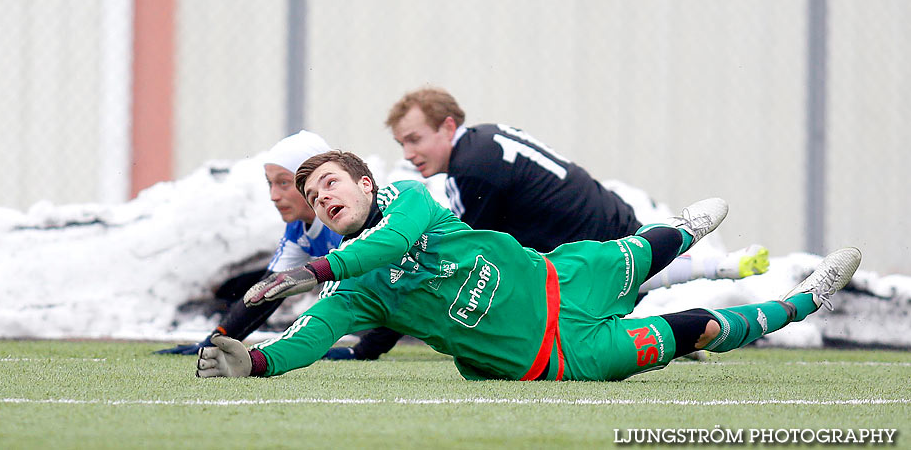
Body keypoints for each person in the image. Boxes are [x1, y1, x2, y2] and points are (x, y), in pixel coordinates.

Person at [197, 150, 860, 381]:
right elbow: (308, 336)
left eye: (333, 182)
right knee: (700, 329)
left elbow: (393, 243)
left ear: (367, 184)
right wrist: (254, 360)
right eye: (314, 198)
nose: (324, 197)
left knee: (644, 251)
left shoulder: (408, 202)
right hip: (564, 353)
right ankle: (802, 302)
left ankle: (685, 232)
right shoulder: (358, 288)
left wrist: (316, 269)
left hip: (558, 274)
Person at [385, 87, 768, 292]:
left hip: (584, 246)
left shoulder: (472, 169)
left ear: (448, 127)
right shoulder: (486, 138)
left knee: (541, 297)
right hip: (612, 219)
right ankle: (714, 265)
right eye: (402, 143)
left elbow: (469, 251)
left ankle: (709, 267)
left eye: (415, 139)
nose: (408, 153)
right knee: (625, 277)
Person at [154, 131, 403, 360]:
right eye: (270, 183)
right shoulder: (299, 228)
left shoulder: (355, 219)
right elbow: (269, 290)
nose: (273, 195)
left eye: (283, 183)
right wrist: (213, 341)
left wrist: (363, 350)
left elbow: (401, 289)